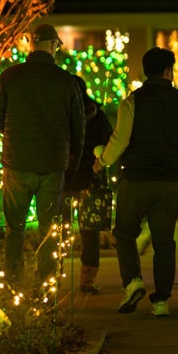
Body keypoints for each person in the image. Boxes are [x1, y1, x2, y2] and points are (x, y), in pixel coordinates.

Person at [93, 47, 178, 317]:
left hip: (137, 179)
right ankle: (162, 301)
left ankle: (133, 282)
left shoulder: (132, 102)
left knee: (125, 233)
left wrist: (101, 160)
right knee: (164, 240)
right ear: (168, 71)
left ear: (145, 70)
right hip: (170, 182)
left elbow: (119, 141)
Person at [0, 23, 85, 288]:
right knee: (48, 232)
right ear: (53, 46)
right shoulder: (67, 82)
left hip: (17, 162)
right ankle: (45, 286)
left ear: (31, 45)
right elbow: (79, 128)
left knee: (14, 229)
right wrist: (72, 162)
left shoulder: (11, 76)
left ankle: (12, 284)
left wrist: (11, 133)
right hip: (53, 165)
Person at [62, 75, 113, 294]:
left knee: (59, 228)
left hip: (63, 177)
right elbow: (109, 139)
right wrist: (99, 161)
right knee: (89, 231)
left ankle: (51, 275)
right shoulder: (97, 114)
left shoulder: (61, 113)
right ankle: (88, 278)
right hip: (89, 178)